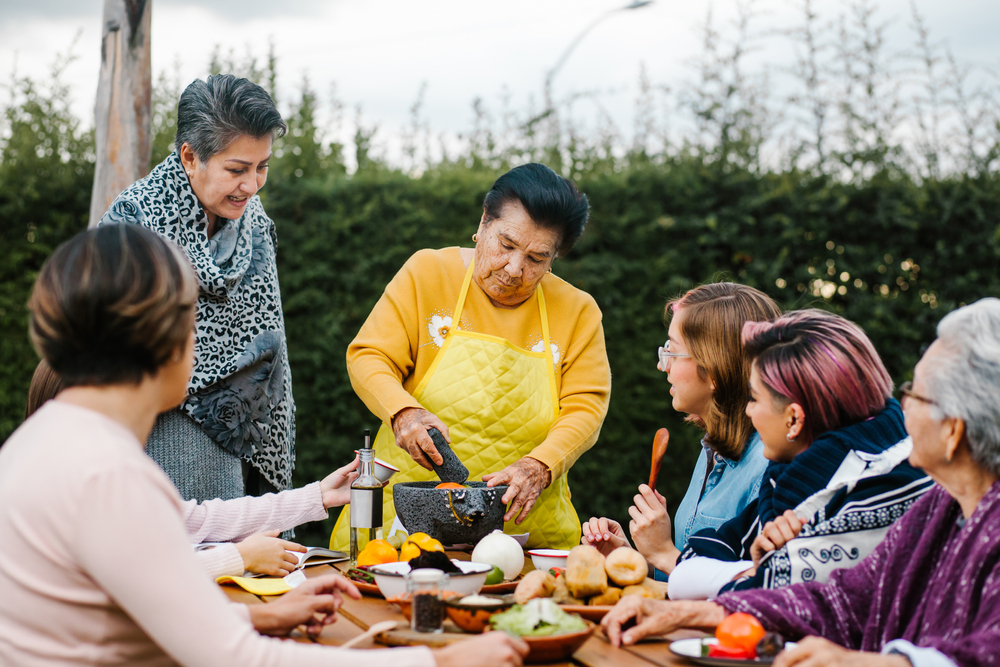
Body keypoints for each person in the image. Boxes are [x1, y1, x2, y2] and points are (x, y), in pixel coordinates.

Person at [0, 223, 527, 666]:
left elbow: (146, 595)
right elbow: (243, 661)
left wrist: (259, 613)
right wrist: (438, 660)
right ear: (161, 337)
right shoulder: (106, 474)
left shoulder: (45, 445)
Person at [601, 298, 1000, 667]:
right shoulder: (941, 506)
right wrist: (686, 611)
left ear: (953, 432)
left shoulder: (929, 499)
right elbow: (845, 599)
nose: (900, 405)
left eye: (917, 395)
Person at [331, 163, 611, 550]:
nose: (514, 269)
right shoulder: (428, 273)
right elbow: (369, 356)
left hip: (522, 536)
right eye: (506, 245)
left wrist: (540, 466)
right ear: (483, 222)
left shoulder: (577, 311)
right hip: (405, 529)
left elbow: (586, 406)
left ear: (554, 257)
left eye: (537, 258)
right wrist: (402, 412)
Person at [99, 74, 295, 502]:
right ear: (190, 157)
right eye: (237, 169)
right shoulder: (134, 223)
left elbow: (269, 338)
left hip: (249, 444)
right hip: (161, 440)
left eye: (262, 167)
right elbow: (108, 356)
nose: (253, 185)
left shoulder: (255, 223)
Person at [668, 310, 931, 599]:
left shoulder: (881, 489)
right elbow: (688, 568)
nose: (748, 410)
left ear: (793, 419)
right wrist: (754, 570)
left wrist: (760, 572)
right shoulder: (793, 479)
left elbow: (771, 602)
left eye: (754, 398)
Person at [24, 358, 358, 580]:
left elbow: (200, 520)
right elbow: (139, 582)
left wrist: (319, 496)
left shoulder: (90, 480)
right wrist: (240, 557)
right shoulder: (64, 497)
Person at [583, 283, 779, 576]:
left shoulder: (769, 469)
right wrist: (636, 560)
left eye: (672, 353)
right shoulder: (713, 449)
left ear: (714, 369)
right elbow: (684, 576)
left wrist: (663, 552)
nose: (663, 367)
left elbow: (757, 589)